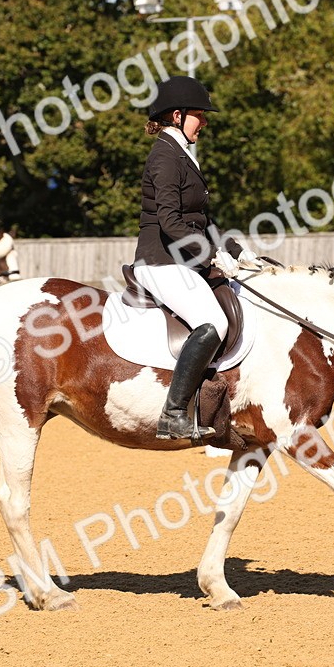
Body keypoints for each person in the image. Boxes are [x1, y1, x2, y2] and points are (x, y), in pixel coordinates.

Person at [133, 75, 260, 440]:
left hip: (182, 260)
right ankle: (173, 413)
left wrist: (236, 250)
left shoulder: (183, 156)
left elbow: (202, 220)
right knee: (212, 323)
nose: (204, 122)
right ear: (177, 115)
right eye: (199, 115)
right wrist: (210, 257)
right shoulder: (165, 156)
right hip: (160, 261)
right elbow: (171, 222)